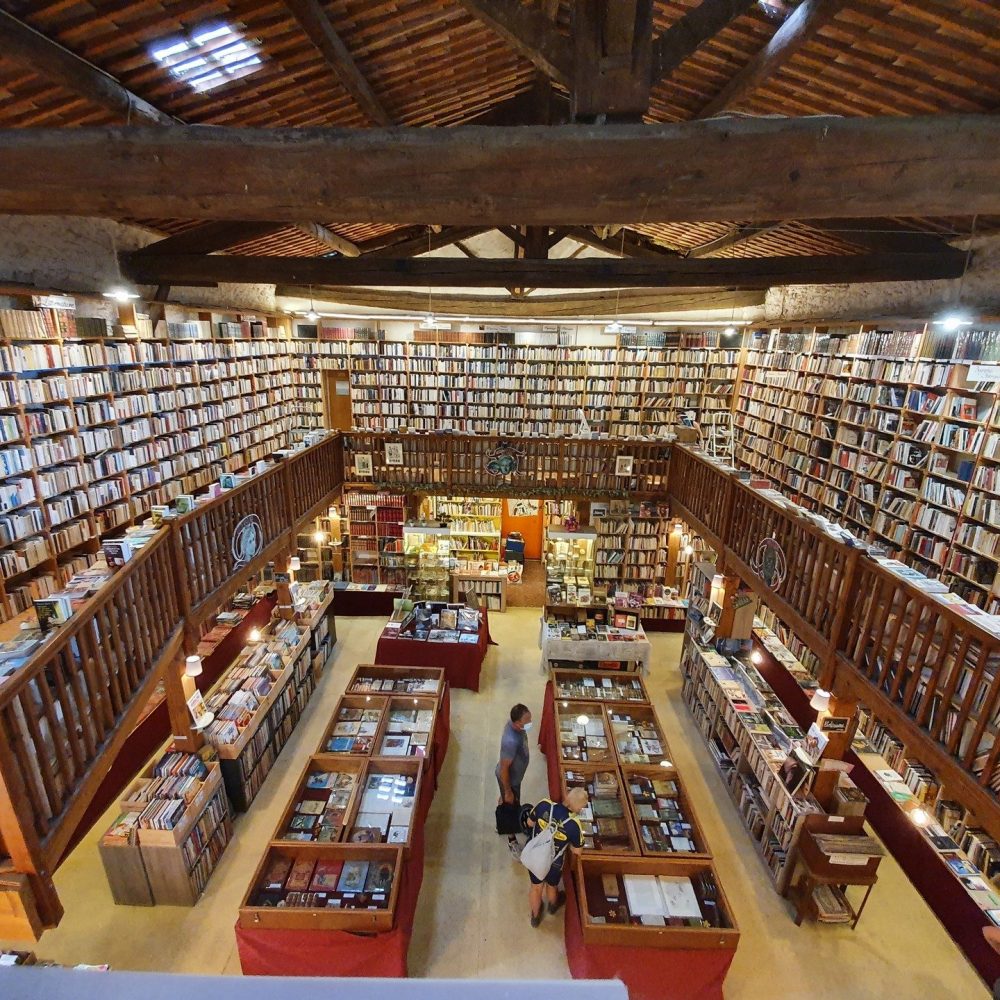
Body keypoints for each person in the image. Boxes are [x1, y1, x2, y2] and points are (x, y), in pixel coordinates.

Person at [524, 787, 588, 928]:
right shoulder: (574, 825)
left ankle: (535, 917)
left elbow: (529, 823)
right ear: (579, 807)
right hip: (555, 862)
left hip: (535, 856)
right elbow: (577, 851)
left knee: (535, 887)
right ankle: (553, 906)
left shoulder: (544, 805)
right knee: (552, 886)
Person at [496, 703, 531, 856]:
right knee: (511, 807)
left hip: (516, 777)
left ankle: (503, 803)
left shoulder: (519, 728)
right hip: (511, 780)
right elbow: (504, 769)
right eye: (527, 721)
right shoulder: (510, 741)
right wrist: (508, 791)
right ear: (517, 723)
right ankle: (511, 839)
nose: (530, 723)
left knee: (506, 800)